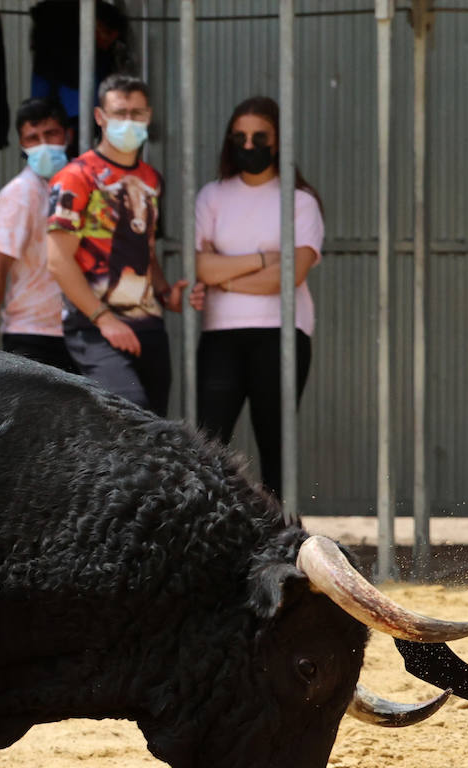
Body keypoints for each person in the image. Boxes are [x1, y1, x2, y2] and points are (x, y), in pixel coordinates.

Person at [193, 95, 323, 499]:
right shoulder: (212, 196)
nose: (249, 146)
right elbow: (201, 268)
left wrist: (224, 276)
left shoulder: (300, 201)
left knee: (275, 442)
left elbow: (290, 275)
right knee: (208, 444)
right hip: (220, 333)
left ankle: (280, 539)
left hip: (281, 333)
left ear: (278, 140)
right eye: (240, 137)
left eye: (259, 137)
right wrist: (266, 258)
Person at [46, 74, 188, 416]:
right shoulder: (75, 177)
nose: (129, 121)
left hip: (149, 326)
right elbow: (58, 261)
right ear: (100, 117)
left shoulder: (152, 179)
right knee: (129, 418)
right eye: (120, 112)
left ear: (149, 117)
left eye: (137, 114)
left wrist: (166, 292)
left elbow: (146, 248)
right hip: (95, 330)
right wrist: (105, 319)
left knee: (155, 428)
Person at [0, 98, 77, 373]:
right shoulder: (20, 193)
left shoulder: (84, 185)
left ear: (68, 134)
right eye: (32, 138)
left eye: (50, 134)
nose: (43, 144)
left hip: (82, 332)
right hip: (33, 334)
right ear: (22, 145)